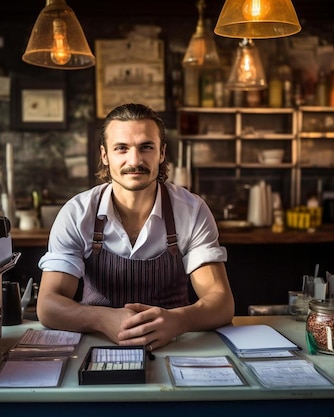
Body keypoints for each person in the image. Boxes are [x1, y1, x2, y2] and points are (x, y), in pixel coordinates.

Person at [36, 103, 234, 351]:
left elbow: (221, 303)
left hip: (174, 346)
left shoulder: (191, 211)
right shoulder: (77, 213)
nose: (135, 160)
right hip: (96, 345)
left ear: (161, 153)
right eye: (121, 148)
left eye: (146, 147)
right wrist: (102, 318)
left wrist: (178, 320)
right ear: (105, 155)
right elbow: (48, 305)